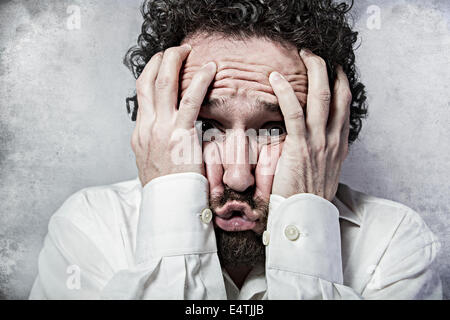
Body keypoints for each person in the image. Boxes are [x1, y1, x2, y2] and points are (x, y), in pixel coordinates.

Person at [29, 0, 442, 299]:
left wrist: (303, 225)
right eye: (206, 126)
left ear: (329, 133)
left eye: (277, 127)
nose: (238, 177)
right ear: (156, 121)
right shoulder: (90, 229)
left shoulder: (392, 245)